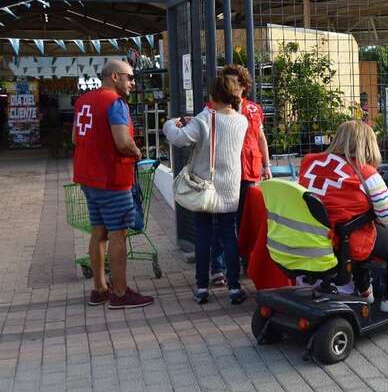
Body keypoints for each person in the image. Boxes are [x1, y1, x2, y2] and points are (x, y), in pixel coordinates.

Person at [299, 120, 388, 313]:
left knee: (361, 229)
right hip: (342, 240)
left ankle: (364, 290)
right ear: (368, 144)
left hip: (313, 236)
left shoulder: (309, 162)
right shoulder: (365, 172)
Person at [71, 59, 154, 309]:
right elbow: (122, 141)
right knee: (118, 234)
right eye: (129, 77)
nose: (132, 82)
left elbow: (76, 137)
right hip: (112, 178)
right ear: (115, 77)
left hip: (87, 177)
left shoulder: (83, 101)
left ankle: (99, 288)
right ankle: (119, 293)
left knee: (99, 231)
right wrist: (136, 151)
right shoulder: (115, 103)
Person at [163, 74, 249, 305]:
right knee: (229, 236)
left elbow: (179, 139)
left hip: (204, 188)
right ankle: (234, 287)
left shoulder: (204, 118)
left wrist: (171, 123)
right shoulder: (242, 120)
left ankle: (202, 287)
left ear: (212, 94)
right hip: (230, 188)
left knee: (203, 236)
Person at [207, 64, 272, 285]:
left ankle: (245, 262)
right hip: (225, 171)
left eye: (234, 82)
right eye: (226, 81)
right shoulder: (213, 107)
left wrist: (267, 164)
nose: (230, 86)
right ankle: (218, 267)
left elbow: (260, 137)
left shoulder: (254, 109)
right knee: (222, 221)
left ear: (243, 86)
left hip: (249, 170)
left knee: (246, 221)